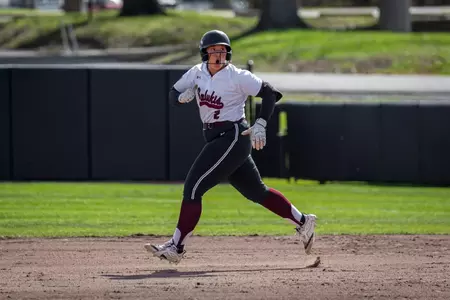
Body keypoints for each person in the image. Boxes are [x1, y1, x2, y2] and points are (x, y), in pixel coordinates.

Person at [144, 30, 317, 264]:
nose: (218, 55)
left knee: (193, 188)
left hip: (233, 134)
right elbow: (172, 93)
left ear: (228, 53)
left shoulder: (237, 76)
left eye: (222, 50)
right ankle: (304, 221)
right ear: (205, 53)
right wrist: (180, 97)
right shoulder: (197, 73)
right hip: (217, 137)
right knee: (257, 192)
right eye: (213, 50)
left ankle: (177, 246)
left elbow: (270, 93)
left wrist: (261, 123)